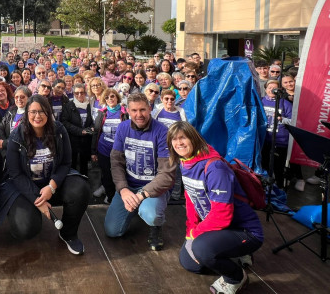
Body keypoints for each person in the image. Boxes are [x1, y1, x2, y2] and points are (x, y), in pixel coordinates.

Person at [167, 121, 263, 294]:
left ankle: (236, 278)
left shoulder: (215, 167)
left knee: (202, 249)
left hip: (246, 232)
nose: (178, 143)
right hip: (220, 230)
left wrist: (195, 234)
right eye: (174, 139)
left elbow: (222, 215)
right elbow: (191, 200)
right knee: (190, 263)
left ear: (194, 138)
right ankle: (231, 252)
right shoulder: (185, 161)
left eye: (183, 138)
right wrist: (190, 229)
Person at [0, 95, 90, 255]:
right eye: (33, 112)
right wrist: (35, 199)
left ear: (48, 112)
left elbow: (66, 163)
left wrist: (52, 187)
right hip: (24, 186)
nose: (37, 116)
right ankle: (23, 213)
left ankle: (68, 233)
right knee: (25, 229)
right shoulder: (16, 136)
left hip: (51, 182)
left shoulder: (59, 130)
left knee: (80, 188)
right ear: (26, 114)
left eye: (42, 111)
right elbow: (15, 173)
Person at [104, 93, 175, 251]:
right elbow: (116, 161)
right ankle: (136, 207)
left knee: (151, 215)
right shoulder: (123, 128)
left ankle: (156, 225)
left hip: (153, 188)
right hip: (129, 186)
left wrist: (141, 195)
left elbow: (167, 174)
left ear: (149, 109)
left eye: (142, 110)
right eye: (134, 110)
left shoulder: (163, 132)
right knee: (112, 231)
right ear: (128, 111)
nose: (139, 115)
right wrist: (123, 189)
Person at [91, 88, 128, 203]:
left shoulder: (124, 112)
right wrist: (93, 151)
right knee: (106, 172)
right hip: (104, 149)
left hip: (119, 150)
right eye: (107, 97)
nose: (110, 99)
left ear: (117, 97)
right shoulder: (102, 112)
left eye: (112, 96)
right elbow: (96, 131)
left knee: (118, 173)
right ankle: (109, 193)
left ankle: (115, 193)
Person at [261, 79, 292, 188]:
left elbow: (294, 121)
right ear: (265, 89)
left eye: (274, 88)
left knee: (278, 168)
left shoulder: (285, 104)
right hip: (264, 140)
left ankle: (280, 188)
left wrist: (281, 119)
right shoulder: (260, 101)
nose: (272, 90)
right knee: (264, 165)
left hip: (280, 142)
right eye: (269, 88)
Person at [60, 83, 94, 176]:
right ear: (74, 94)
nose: (79, 95)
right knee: (73, 161)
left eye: (82, 92)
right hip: (73, 139)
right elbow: (65, 122)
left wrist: (90, 128)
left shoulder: (89, 105)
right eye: (77, 93)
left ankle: (85, 180)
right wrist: (79, 131)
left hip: (86, 139)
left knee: (84, 163)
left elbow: (93, 119)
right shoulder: (69, 105)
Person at [0, 86, 32, 159]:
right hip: (8, 153)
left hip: (23, 155)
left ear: (28, 98)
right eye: (16, 97)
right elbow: (1, 128)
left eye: (22, 97)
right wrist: (5, 152)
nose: (19, 99)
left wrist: (5, 143)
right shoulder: (11, 111)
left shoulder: (31, 114)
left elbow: (26, 137)